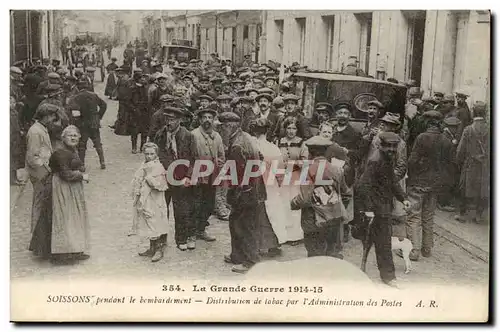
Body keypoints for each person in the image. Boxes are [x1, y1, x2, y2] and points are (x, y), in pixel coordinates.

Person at [353, 131, 411, 288]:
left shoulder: (387, 159)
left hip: (382, 208)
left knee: (377, 242)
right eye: (389, 147)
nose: (392, 150)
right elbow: (362, 186)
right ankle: (386, 276)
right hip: (376, 210)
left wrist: (403, 198)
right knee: (381, 243)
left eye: (394, 147)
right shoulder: (376, 160)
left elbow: (392, 181)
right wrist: (369, 209)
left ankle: (382, 275)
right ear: (381, 146)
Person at [30, 125, 91, 263]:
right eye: (70, 135)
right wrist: (82, 176)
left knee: (73, 218)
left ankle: (74, 249)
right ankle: (62, 254)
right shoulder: (61, 152)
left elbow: (76, 165)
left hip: (70, 189)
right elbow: (65, 174)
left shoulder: (71, 150)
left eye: (76, 135)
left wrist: (80, 168)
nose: (73, 137)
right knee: (63, 219)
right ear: (63, 137)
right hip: (61, 188)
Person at [218, 111, 265, 273]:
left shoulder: (237, 145)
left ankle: (250, 261)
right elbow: (261, 156)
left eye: (223, 127)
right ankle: (237, 255)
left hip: (245, 192)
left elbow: (237, 174)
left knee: (245, 226)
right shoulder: (246, 137)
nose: (221, 130)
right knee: (236, 223)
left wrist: (234, 192)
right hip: (253, 189)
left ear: (229, 126)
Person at [291, 135, 349, 258]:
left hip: (313, 220)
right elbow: (346, 193)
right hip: (333, 218)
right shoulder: (337, 169)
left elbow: (304, 199)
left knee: (315, 256)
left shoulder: (307, 170)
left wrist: (293, 203)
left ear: (310, 152)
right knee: (330, 254)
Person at [406, 111, 453, 261]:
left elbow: (412, 161)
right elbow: (448, 164)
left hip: (418, 182)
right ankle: (427, 249)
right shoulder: (446, 140)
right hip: (435, 184)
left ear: (426, 122)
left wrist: (410, 176)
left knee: (413, 216)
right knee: (428, 216)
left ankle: (413, 250)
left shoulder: (421, 138)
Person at [153, 106, 196, 251]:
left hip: (181, 178)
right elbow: (156, 155)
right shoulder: (160, 135)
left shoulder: (188, 136)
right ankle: (161, 239)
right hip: (164, 178)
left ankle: (182, 238)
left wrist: (189, 176)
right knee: (161, 208)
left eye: (172, 119)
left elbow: (193, 158)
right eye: (167, 119)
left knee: (182, 210)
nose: (169, 122)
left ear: (180, 120)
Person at [249, 118, 284, 257]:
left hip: (254, 185)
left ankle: (258, 245)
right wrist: (279, 184)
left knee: (257, 215)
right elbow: (279, 172)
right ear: (267, 131)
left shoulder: (250, 145)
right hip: (270, 185)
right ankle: (272, 244)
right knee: (272, 215)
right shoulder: (273, 148)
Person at [25, 104, 60, 239]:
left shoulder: (41, 129)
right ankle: (36, 234)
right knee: (39, 203)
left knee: (42, 202)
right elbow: (32, 157)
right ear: (45, 116)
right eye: (51, 116)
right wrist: (45, 170)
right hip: (40, 173)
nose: (53, 119)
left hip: (42, 172)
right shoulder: (35, 132)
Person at [130, 142, 169, 262]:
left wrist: (148, 178)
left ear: (156, 154)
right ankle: (152, 247)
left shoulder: (159, 167)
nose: (149, 156)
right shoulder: (144, 165)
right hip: (146, 199)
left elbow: (161, 185)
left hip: (155, 198)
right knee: (147, 220)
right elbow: (138, 179)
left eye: (152, 154)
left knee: (155, 221)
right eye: (146, 154)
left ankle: (159, 249)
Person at [191, 107, 225, 243]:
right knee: (195, 203)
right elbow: (189, 156)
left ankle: (201, 229)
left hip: (212, 175)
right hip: (198, 175)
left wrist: (219, 167)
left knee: (209, 204)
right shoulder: (193, 135)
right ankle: (191, 232)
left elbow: (222, 155)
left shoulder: (217, 136)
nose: (207, 120)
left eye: (210, 118)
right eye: (204, 118)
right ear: (200, 120)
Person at [455, 101, 490, 224]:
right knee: (483, 189)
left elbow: (461, 149)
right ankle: (479, 215)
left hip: (470, 163)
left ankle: (462, 213)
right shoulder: (490, 130)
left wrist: (458, 161)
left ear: (474, 112)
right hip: (485, 164)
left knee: (464, 187)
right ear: (485, 113)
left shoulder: (468, 129)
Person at [278, 116, 308, 245]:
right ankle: (283, 234)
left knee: (294, 205)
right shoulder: (279, 141)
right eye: (288, 128)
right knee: (283, 204)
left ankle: (295, 236)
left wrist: (292, 165)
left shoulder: (302, 143)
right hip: (283, 178)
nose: (291, 131)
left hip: (295, 177)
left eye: (294, 128)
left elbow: (305, 161)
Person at [68, 80, 107, 170]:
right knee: (97, 142)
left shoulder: (76, 97)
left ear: (78, 87)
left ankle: (82, 165)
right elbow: (104, 105)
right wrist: (98, 116)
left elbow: (74, 112)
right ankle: (102, 162)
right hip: (94, 123)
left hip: (83, 124)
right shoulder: (93, 95)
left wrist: (75, 121)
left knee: (82, 145)